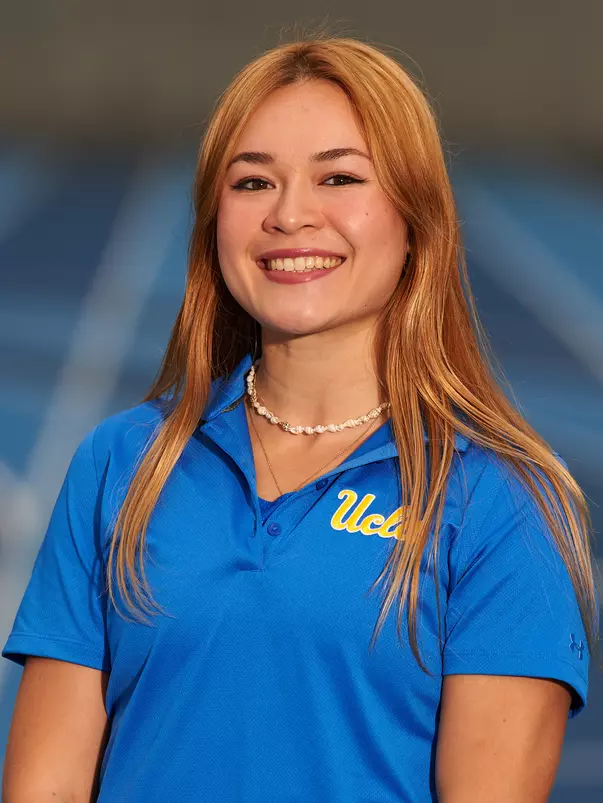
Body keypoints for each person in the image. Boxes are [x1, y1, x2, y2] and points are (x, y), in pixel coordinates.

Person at [2, 35, 600, 803]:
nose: (289, 214)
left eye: (339, 176)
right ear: (214, 220)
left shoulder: (499, 501)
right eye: (252, 182)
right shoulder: (122, 462)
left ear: (414, 217)